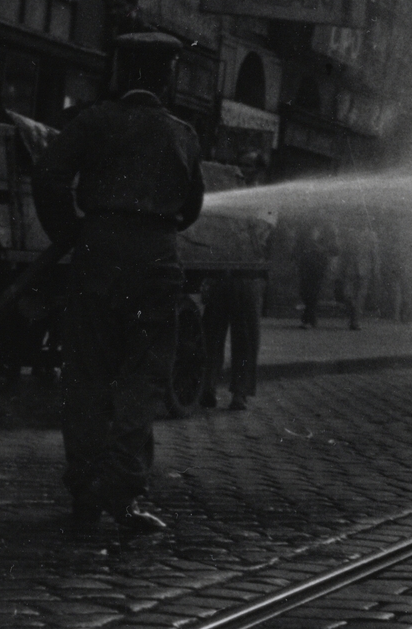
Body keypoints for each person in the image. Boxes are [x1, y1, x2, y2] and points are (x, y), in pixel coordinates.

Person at [33, 32, 204, 532]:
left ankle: (85, 494)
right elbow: (190, 209)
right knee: (143, 378)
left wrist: (70, 233)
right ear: (167, 76)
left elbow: (49, 177)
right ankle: (123, 493)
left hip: (96, 255)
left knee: (84, 376)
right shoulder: (183, 134)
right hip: (156, 261)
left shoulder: (92, 122)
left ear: (120, 73)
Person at [200, 152, 268, 411]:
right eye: (242, 165)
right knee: (211, 333)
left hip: (247, 273)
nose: (244, 170)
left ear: (259, 172)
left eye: (250, 166)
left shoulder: (266, 197)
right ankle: (206, 387)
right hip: (222, 271)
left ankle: (239, 393)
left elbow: (260, 233)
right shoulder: (228, 191)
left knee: (246, 336)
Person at [296, 216, 339, 328]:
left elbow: (335, 249)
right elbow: (298, 247)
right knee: (305, 291)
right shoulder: (305, 232)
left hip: (319, 265)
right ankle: (311, 318)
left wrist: (322, 250)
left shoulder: (328, 232)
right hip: (306, 265)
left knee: (313, 291)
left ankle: (307, 319)